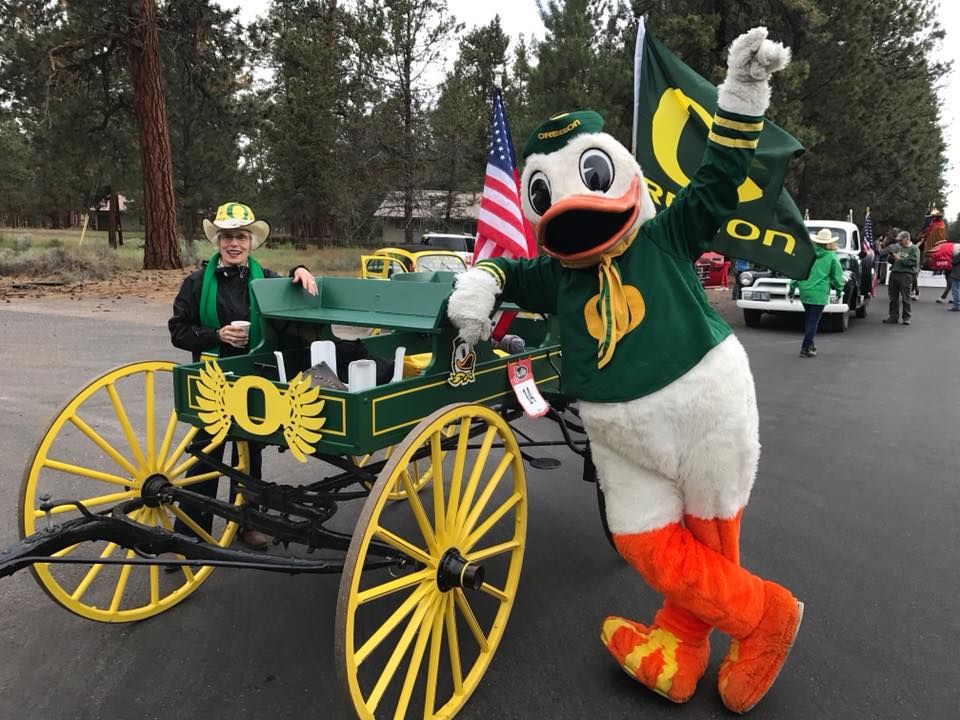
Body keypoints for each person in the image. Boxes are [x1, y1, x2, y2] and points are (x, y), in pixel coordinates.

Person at [168, 201, 317, 549]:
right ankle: (188, 533)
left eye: (241, 237)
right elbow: (178, 331)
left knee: (250, 455)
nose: (234, 244)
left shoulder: (263, 279)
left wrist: (300, 268)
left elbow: (293, 288)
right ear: (217, 242)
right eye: (227, 237)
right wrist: (215, 335)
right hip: (213, 381)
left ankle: (249, 523)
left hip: (255, 380)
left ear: (251, 242)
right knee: (205, 457)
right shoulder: (194, 283)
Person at [788, 229, 844, 357]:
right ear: (830, 243)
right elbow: (837, 277)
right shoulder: (831, 256)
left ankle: (811, 345)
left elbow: (797, 273)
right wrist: (839, 290)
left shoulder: (807, 254)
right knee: (813, 322)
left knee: (809, 319)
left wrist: (792, 289)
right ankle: (805, 347)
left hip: (804, 290)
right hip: (819, 293)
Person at [882, 230, 919, 325]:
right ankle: (893, 316)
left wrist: (901, 260)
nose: (899, 242)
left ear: (906, 239)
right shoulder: (898, 247)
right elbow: (892, 261)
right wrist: (891, 258)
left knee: (905, 297)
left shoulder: (914, 249)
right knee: (893, 297)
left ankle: (906, 318)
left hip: (906, 275)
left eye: (900, 240)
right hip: (894, 273)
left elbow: (914, 262)